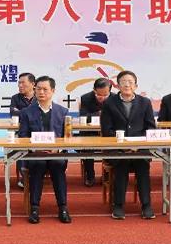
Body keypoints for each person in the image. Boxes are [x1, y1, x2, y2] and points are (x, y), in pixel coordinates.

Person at [101, 70, 157, 220]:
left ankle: (146, 205)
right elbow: (106, 130)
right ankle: (118, 205)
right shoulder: (109, 103)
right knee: (122, 163)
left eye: (130, 82)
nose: (127, 85)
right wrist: (123, 146)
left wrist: (138, 145)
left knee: (142, 166)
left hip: (140, 148)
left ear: (136, 86)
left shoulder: (145, 103)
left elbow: (151, 128)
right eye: (124, 82)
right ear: (117, 85)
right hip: (118, 148)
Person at [17, 76, 71, 224]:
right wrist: (35, 149)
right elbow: (23, 136)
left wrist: (58, 150)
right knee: (38, 164)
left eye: (45, 89)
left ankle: (63, 207)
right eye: (38, 89)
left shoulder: (62, 111)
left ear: (53, 91)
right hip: (36, 154)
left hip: (56, 154)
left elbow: (67, 137)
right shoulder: (26, 112)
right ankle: (34, 208)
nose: (41, 92)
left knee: (57, 164)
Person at [78, 78, 110, 187]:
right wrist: (99, 114)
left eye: (105, 95)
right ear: (94, 90)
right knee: (86, 147)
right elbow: (84, 117)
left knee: (112, 148)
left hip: (108, 133)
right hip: (90, 132)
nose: (102, 98)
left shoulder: (114, 98)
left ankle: (107, 175)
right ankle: (90, 175)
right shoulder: (86, 98)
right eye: (99, 95)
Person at [10, 72, 36, 188]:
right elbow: (13, 114)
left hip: (38, 132)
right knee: (21, 147)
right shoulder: (15, 98)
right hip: (22, 131)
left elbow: (42, 113)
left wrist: (22, 112)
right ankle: (24, 176)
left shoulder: (40, 96)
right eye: (19, 83)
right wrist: (31, 112)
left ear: (33, 84)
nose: (20, 85)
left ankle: (37, 174)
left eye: (23, 83)